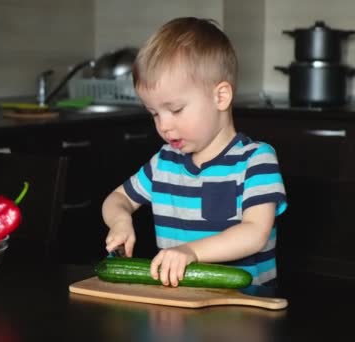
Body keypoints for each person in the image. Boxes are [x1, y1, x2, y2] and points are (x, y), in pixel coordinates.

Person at [101, 17, 287, 287]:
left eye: (175, 110)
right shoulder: (164, 162)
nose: (164, 125)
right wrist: (120, 222)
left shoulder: (256, 161)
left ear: (220, 97)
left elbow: (255, 233)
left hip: (244, 309)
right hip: (177, 304)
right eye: (154, 113)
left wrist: (191, 252)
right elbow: (117, 198)